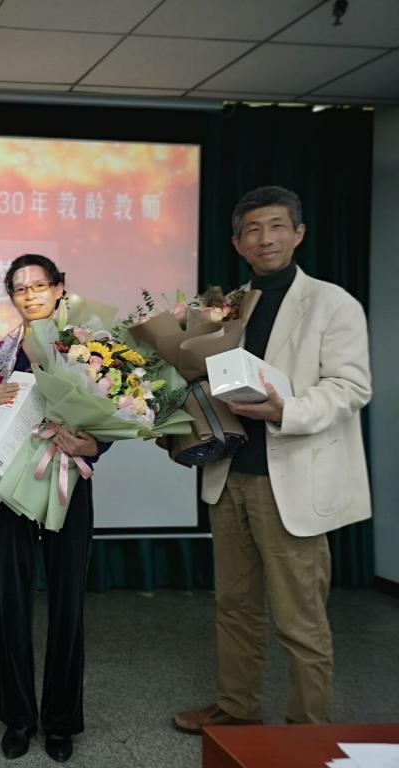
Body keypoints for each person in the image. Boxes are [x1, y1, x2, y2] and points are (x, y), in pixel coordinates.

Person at [173, 186, 372, 733]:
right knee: (234, 606)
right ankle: (237, 710)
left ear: (298, 234)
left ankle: (309, 731)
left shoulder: (332, 303)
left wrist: (287, 409)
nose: (266, 238)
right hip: (230, 474)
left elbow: (351, 387)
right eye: (253, 230)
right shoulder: (224, 306)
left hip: (292, 481)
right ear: (238, 243)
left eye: (277, 226)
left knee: (300, 618)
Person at [0, 254, 102, 763]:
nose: (29, 294)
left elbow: (112, 413)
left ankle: (61, 720)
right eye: (19, 288)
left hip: (69, 480)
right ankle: (18, 717)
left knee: (68, 603)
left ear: (60, 287)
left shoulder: (88, 346)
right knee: (13, 602)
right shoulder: (0, 352)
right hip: (10, 487)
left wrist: (95, 446)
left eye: (38, 285)